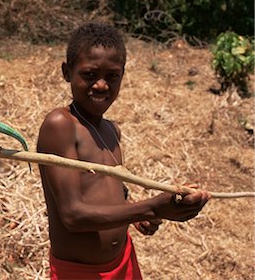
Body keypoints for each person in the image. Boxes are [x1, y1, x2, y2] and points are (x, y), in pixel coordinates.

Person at [36, 22, 210, 280]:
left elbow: (113, 194)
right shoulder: (60, 125)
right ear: (67, 72)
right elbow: (72, 215)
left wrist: (135, 214)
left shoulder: (111, 131)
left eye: (112, 76)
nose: (101, 85)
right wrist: (151, 208)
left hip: (124, 262)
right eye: (90, 74)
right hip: (80, 273)